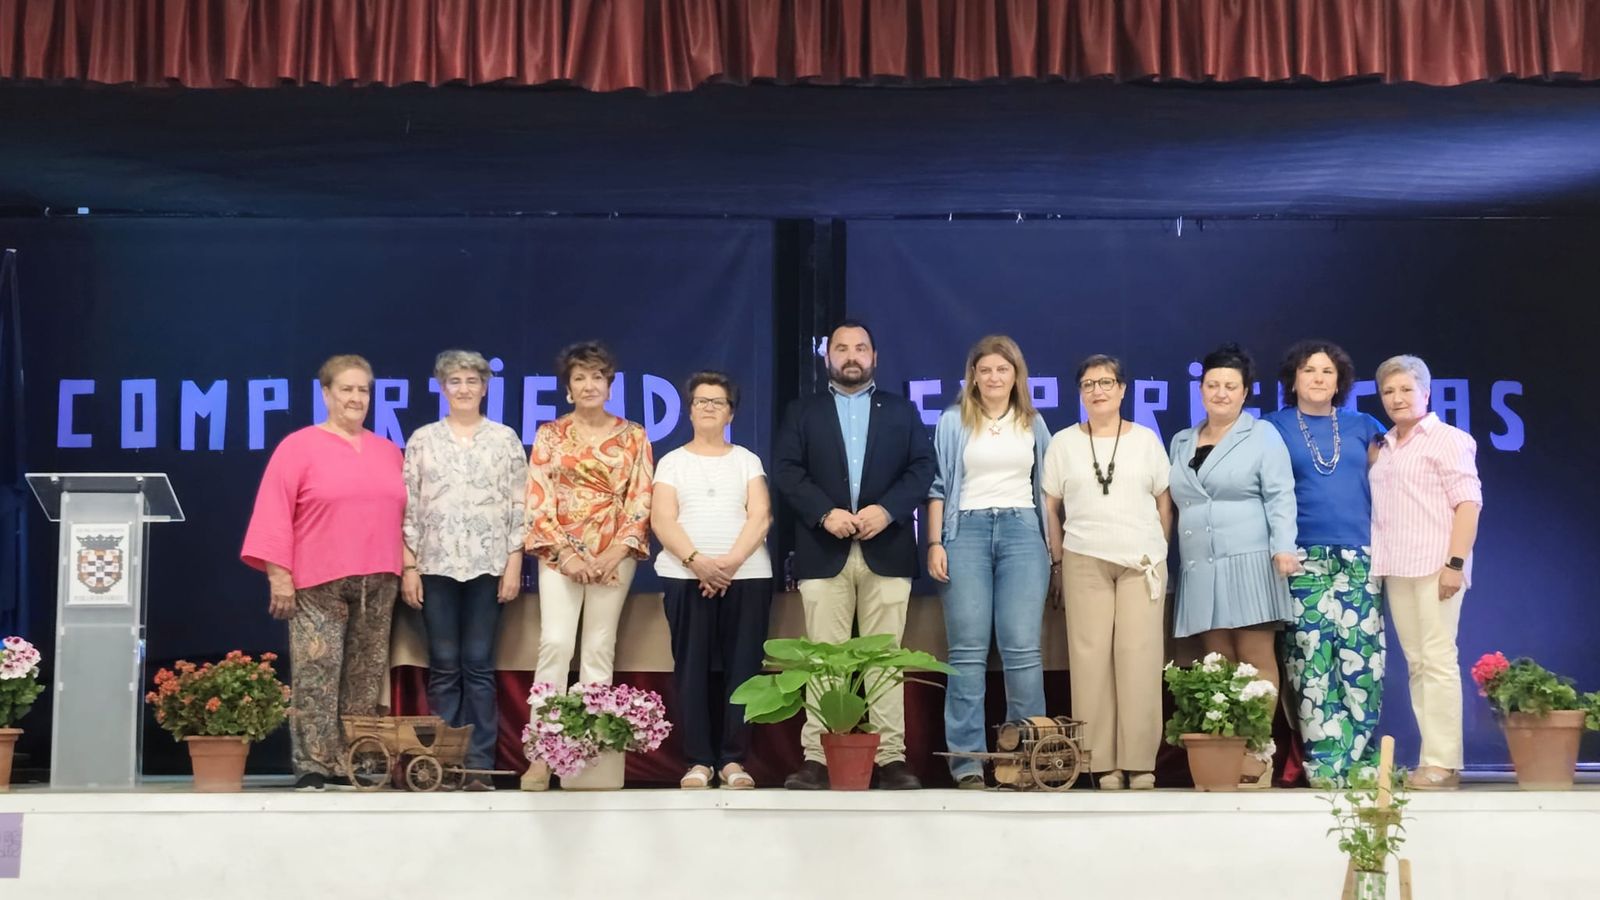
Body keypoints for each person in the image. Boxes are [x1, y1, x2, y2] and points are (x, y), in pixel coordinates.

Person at [772, 320, 935, 790]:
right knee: (824, 660)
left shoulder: (902, 411)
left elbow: (923, 467)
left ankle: (890, 759)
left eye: (860, 348)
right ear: (827, 357)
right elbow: (786, 470)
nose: (851, 356)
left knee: (884, 660)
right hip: (824, 549)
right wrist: (825, 513)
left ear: (874, 357)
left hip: (888, 548)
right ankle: (817, 759)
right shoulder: (803, 412)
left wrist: (888, 510)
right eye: (841, 348)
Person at [241, 354, 405, 792]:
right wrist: (279, 575)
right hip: (317, 581)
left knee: (365, 675)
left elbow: (405, 517)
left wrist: (408, 568)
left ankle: (354, 759)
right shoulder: (297, 447)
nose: (356, 398)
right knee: (317, 670)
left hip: (379, 579)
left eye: (363, 390)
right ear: (326, 393)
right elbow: (274, 512)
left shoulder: (389, 451)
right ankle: (313, 762)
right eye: (346, 389)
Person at [522, 341, 654, 790]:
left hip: (614, 557)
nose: (589, 385)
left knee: (599, 648)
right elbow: (537, 501)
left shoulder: (634, 436)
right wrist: (569, 556)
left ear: (610, 385)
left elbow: (641, 500)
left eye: (597, 376)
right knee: (556, 644)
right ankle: (542, 754)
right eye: (579, 377)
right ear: (568, 388)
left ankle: (590, 753)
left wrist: (613, 553)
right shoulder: (550, 435)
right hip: (561, 557)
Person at [926, 335, 1055, 790]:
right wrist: (935, 542)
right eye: (985, 370)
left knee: (1022, 649)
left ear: (1016, 375)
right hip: (967, 533)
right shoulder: (952, 421)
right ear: (973, 377)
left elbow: (1048, 492)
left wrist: (1054, 553)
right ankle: (966, 762)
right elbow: (938, 487)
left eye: (1003, 369)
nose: (994, 377)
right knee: (966, 651)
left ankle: (1025, 760)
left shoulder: (1033, 422)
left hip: (1023, 533)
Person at [1168, 342, 1298, 788]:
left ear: (1245, 393)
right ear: (1201, 389)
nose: (1220, 393)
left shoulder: (1262, 435)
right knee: (1217, 662)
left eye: (1230, 386)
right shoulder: (1181, 441)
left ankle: (1257, 752)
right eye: (1213, 385)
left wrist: (1284, 547)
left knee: (1255, 658)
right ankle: (1224, 749)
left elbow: (1280, 495)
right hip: (1200, 565)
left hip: (1251, 560)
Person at [1042, 354, 1171, 791]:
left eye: (1106, 382)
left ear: (1122, 390)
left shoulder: (1146, 440)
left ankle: (1140, 762)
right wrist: (1057, 561)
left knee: (1139, 657)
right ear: (1080, 392)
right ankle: (1101, 764)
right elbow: (1050, 506)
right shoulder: (1063, 443)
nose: (1098, 391)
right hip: (1083, 557)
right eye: (1089, 384)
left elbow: (1164, 501)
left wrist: (1159, 549)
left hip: (1141, 562)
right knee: (1090, 659)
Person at [400, 350, 529, 791]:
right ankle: (444, 766)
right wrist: (409, 566)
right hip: (434, 565)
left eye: (472, 380)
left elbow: (519, 503)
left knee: (478, 665)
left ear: (485, 387)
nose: (464, 388)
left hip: (488, 566)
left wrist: (514, 561)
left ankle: (477, 767)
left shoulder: (505, 439)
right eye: (455, 381)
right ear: (442, 387)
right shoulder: (423, 440)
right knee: (443, 666)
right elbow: (408, 505)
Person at [1263, 340, 1388, 789]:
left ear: (1340, 382)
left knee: (1362, 662)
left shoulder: (1364, 426)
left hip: (1359, 557)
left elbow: (1391, 483)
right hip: (1302, 559)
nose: (1318, 378)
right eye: (1309, 370)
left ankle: (1361, 762)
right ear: (1293, 379)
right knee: (1310, 664)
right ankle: (1324, 766)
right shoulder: (1272, 427)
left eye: (1327, 372)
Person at [651, 372, 773, 790]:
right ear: (689, 410)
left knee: (744, 669)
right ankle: (699, 761)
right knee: (692, 669)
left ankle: (734, 761)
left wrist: (729, 564)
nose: (708, 408)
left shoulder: (747, 460)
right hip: (685, 576)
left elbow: (761, 516)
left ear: (730, 413)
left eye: (717, 402)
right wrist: (698, 562)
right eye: (700, 401)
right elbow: (662, 519)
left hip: (747, 576)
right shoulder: (672, 462)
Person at [1370, 354, 1482, 791]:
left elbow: (1468, 504)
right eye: (1388, 391)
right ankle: (1429, 759)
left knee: (1437, 660)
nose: (1397, 398)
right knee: (1418, 664)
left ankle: (1444, 762)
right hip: (1397, 567)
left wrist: (1455, 564)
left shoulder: (1449, 439)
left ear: (1426, 392)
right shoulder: (1385, 446)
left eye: (1406, 389)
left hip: (1438, 566)